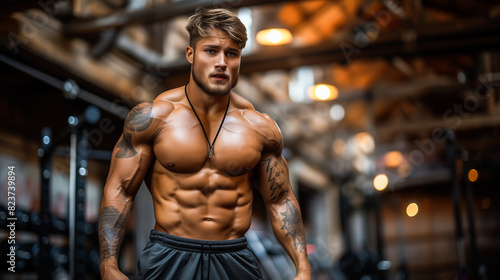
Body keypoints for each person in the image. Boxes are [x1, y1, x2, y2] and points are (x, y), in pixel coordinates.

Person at [98, 7, 312, 280]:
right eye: (211, 51)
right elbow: (120, 190)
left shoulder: (261, 127)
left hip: (234, 256)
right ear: (190, 54)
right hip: (169, 255)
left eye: (231, 54)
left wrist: (303, 267)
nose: (222, 62)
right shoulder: (153, 117)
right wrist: (108, 264)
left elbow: (280, 200)